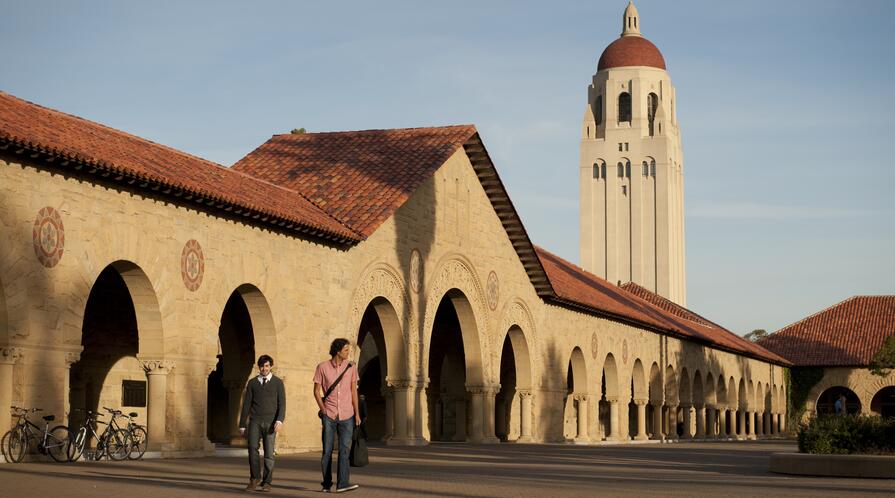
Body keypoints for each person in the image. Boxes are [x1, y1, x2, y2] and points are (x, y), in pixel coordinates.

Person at [313, 338, 361, 493]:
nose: (348, 352)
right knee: (327, 451)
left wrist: (357, 414)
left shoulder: (351, 367)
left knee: (344, 450)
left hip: (347, 414)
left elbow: (354, 391)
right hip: (330, 414)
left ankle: (343, 483)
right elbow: (316, 391)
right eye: (346, 350)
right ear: (338, 351)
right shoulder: (322, 367)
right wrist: (323, 409)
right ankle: (326, 484)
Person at [239, 354, 286, 492]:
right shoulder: (252, 383)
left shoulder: (278, 383)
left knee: (269, 453)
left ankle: (267, 482)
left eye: (266, 366)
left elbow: (282, 404)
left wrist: (280, 420)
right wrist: (242, 424)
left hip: (271, 422)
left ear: (270, 366)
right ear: (258, 367)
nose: (264, 368)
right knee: (252, 449)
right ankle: (254, 479)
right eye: (262, 366)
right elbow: (246, 404)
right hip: (255, 421)